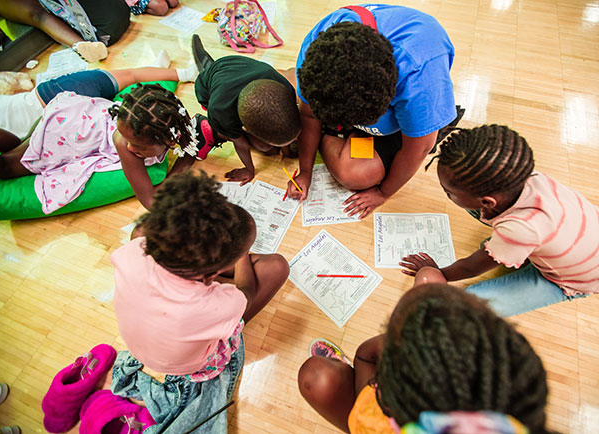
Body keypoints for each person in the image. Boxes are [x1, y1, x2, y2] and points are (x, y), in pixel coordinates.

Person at [110, 171, 289, 432]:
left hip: (142, 347)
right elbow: (246, 293)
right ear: (212, 272)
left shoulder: (132, 251)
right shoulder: (213, 306)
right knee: (277, 267)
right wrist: (241, 255)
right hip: (192, 365)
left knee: (139, 232)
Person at [297, 267, 552, 433]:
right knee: (428, 278)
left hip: (370, 418)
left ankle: (352, 378)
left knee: (317, 376)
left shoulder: (374, 420)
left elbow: (366, 353)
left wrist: (398, 341)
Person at [400, 125, 599, 316]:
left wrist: (439, 272)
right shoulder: (529, 177)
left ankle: (513, 254)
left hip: (573, 279)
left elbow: (471, 267)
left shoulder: (520, 229)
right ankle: (513, 251)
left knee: (463, 310)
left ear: (488, 201)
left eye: (448, 192)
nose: (446, 195)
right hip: (581, 234)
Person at [286, 5, 462, 218]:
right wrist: (305, 171)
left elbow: (420, 148)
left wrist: (382, 192)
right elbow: (309, 114)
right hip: (356, 96)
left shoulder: (420, 74)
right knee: (295, 94)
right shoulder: (317, 50)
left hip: (404, 106)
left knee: (355, 175)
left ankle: (427, 124)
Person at [0, 80, 199, 213]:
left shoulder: (173, 120)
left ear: (170, 139)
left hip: (77, 114)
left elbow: (194, 138)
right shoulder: (123, 142)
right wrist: (185, 163)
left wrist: (192, 148)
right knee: (6, 167)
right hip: (65, 130)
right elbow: (152, 202)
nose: (130, 148)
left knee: (19, 145)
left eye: (137, 146)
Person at [0, 53, 197, 139]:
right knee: (131, 75)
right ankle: (185, 73)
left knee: (122, 100)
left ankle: (161, 70)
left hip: (54, 113)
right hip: (51, 96)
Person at [189, 52, 301, 185]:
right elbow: (240, 144)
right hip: (211, 87)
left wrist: (286, 151)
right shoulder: (220, 110)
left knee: (269, 148)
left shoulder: (286, 89)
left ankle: (211, 66)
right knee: (264, 148)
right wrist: (249, 170)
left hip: (241, 69)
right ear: (246, 129)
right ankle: (209, 125)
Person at [0, 0, 130, 62]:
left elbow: (39, 16)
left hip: (99, 32)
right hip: (119, 16)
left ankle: (79, 44)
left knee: (38, 16)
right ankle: (83, 45)